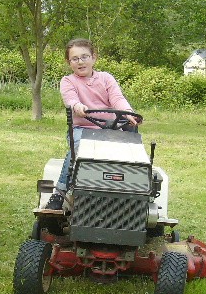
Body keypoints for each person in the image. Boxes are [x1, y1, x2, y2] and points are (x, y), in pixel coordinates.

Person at [44, 38, 139, 210]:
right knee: (77, 148)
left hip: (110, 128)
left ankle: (134, 192)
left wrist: (128, 112)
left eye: (84, 57)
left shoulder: (106, 78)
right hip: (83, 129)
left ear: (94, 58)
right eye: (75, 59)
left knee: (133, 146)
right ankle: (60, 193)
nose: (80, 62)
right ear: (69, 62)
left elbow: (117, 98)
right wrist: (77, 106)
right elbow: (70, 99)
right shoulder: (68, 81)